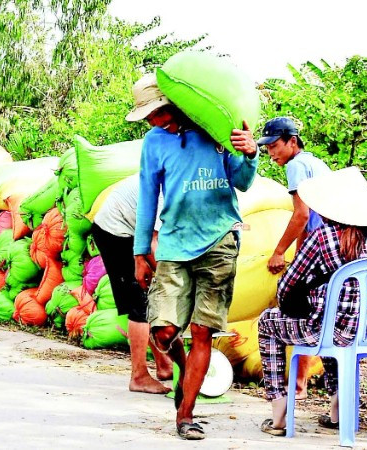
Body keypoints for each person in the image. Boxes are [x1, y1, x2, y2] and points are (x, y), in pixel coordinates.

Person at [127, 73, 258, 440]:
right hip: (173, 245)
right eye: (148, 116)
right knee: (164, 332)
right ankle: (187, 373)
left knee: (202, 332)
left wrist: (249, 153)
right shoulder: (154, 142)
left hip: (219, 241)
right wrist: (140, 252)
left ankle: (186, 414)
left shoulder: (217, 130)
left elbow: (243, 181)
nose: (153, 122)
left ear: (176, 104)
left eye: (157, 113)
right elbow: (148, 196)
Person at [256, 167, 367, 436]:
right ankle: (337, 412)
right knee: (329, 318)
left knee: (268, 323)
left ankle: (279, 415)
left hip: (335, 332)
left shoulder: (323, 237)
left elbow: (287, 286)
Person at [256, 117, 332, 400]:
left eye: (275, 146)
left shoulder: (296, 165)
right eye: (267, 148)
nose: (271, 153)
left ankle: (295, 387)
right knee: (320, 315)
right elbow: (309, 222)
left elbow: (301, 215)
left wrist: (278, 252)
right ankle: (305, 384)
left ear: (292, 141)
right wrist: (299, 256)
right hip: (331, 251)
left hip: (323, 253)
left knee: (298, 311)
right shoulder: (314, 162)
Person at [90, 174, 173, 394]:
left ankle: (165, 365)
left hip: (135, 229)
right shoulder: (164, 192)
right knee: (140, 301)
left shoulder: (183, 185)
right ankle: (139, 376)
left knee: (153, 296)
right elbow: (154, 242)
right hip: (115, 231)